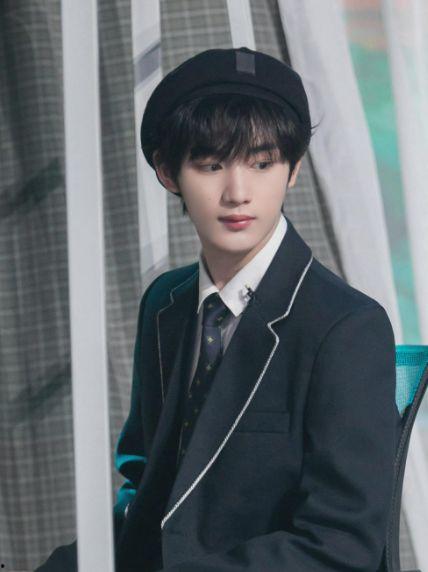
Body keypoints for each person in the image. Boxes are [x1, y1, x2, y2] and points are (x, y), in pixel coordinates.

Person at [36, 46, 400, 572]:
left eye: (262, 164)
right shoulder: (165, 304)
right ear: (168, 173)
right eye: (210, 165)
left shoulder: (346, 327)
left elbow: (342, 543)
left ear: (293, 170)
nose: (238, 193)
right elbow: (147, 487)